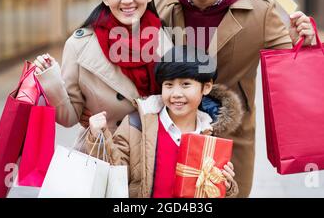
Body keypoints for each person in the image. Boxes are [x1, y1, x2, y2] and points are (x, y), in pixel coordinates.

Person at [152, 0, 316, 197]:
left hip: (231, 138)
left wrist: (305, 43)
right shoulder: (156, 3)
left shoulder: (261, 11)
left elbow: (295, 74)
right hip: (164, 134)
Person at [33, 0, 172, 132]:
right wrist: (51, 81)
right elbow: (69, 117)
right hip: (105, 151)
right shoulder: (79, 45)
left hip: (156, 151)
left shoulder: (165, 35)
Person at [86, 46, 246, 198]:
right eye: (168, 85)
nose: (176, 94)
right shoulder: (137, 125)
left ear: (206, 87)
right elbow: (113, 174)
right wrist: (97, 136)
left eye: (185, 84)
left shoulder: (212, 134)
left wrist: (227, 186)